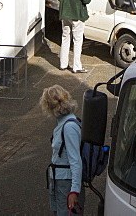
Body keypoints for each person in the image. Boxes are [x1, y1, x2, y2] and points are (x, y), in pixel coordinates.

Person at [42, 85, 83, 216]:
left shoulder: (68, 127)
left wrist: (74, 191)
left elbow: (75, 160)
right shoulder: (65, 123)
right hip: (59, 179)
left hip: (66, 182)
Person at [58, 0, 91, 73]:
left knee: (65, 39)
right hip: (77, 16)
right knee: (77, 41)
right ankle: (76, 66)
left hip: (64, 15)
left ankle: (63, 64)